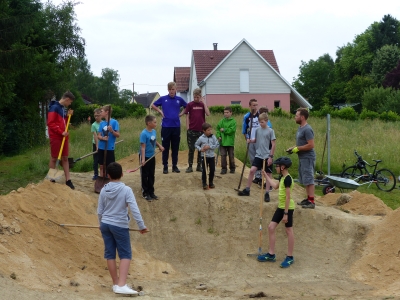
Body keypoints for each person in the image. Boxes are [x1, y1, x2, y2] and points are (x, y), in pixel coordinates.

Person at [97, 162, 149, 295]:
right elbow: (135, 210)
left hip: (105, 224)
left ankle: (116, 283)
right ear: (122, 174)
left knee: (110, 254)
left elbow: (100, 210)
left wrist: (100, 223)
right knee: (125, 254)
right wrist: (141, 226)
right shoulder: (126, 190)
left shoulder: (103, 189)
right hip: (119, 225)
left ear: (108, 175)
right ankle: (121, 284)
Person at [257, 157, 295, 268]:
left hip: (287, 208)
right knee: (271, 227)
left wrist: (286, 213)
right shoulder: (282, 178)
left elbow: (288, 197)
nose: (276, 168)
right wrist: (266, 176)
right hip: (281, 207)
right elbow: (275, 186)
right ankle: (271, 254)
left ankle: (290, 257)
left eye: (277, 166)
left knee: (289, 230)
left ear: (282, 167)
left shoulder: (287, 179)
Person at [238, 113, 276, 202]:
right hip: (258, 154)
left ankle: (267, 193)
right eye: (259, 122)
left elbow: (273, 144)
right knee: (252, 170)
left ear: (266, 121)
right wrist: (250, 140)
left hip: (267, 155)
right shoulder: (258, 130)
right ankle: (247, 189)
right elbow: (256, 140)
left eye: (262, 122)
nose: (260, 124)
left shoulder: (271, 131)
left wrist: (271, 157)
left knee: (268, 174)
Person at [152, 82, 187, 174]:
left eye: (173, 89)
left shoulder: (179, 99)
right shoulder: (163, 99)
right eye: (170, 89)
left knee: (175, 147)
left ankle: (174, 166)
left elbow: (187, 107)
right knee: (165, 147)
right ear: (168, 90)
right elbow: (153, 105)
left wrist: (182, 113)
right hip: (166, 126)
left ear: (176, 89)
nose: (172, 91)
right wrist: (160, 111)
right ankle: (165, 166)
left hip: (176, 126)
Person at [286, 108, 316, 209]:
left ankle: (311, 201)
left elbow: (311, 145)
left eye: (297, 116)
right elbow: (302, 143)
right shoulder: (300, 128)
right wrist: (293, 148)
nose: (295, 117)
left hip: (307, 157)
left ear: (302, 117)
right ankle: (308, 199)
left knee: (309, 178)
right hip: (302, 157)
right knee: (305, 179)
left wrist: (298, 148)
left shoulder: (307, 129)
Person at [47, 91, 75, 189]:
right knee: (54, 158)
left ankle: (68, 180)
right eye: (70, 102)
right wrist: (60, 132)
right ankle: (51, 178)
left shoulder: (63, 109)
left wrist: (68, 117)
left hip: (64, 136)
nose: (70, 104)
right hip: (56, 137)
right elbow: (50, 123)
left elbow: (64, 123)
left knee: (65, 158)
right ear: (67, 99)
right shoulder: (54, 108)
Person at [242, 99, 272, 185]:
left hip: (261, 141)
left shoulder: (261, 116)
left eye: (256, 105)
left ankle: (264, 177)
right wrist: (247, 138)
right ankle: (257, 176)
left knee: (261, 158)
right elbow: (244, 129)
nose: (255, 107)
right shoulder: (247, 116)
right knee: (253, 159)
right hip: (251, 140)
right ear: (250, 106)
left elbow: (269, 126)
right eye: (253, 105)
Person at [180, 88, 210, 173]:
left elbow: (208, 114)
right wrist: (187, 128)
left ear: (200, 96)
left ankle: (199, 166)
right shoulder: (190, 105)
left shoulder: (202, 105)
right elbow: (187, 116)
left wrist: (204, 103)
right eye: (194, 97)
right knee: (191, 148)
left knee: (200, 149)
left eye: (197, 97)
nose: (196, 99)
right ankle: (190, 166)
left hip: (201, 131)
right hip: (192, 130)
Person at [140, 115, 165, 201]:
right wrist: (143, 160)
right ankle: (145, 193)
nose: (156, 124)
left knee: (151, 174)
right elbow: (143, 147)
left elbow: (154, 140)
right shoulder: (143, 133)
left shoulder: (153, 131)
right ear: (149, 123)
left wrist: (159, 146)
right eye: (154, 122)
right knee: (145, 175)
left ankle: (151, 192)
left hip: (152, 155)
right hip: (145, 156)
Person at [97, 105, 120, 178]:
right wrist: (103, 138)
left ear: (107, 112)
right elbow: (99, 135)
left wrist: (112, 131)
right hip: (101, 147)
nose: (101, 113)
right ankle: (102, 180)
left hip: (109, 148)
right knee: (101, 166)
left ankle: (110, 181)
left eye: (102, 111)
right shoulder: (102, 123)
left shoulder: (114, 122)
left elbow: (118, 135)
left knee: (110, 166)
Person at [195, 123, 219, 190]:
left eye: (210, 130)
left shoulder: (213, 137)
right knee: (204, 170)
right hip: (204, 156)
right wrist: (200, 149)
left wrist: (209, 147)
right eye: (208, 130)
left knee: (212, 169)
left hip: (211, 156)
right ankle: (204, 183)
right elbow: (196, 145)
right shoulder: (201, 138)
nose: (210, 131)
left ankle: (211, 182)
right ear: (204, 131)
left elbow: (217, 145)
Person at [216, 106, 237, 174]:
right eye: (224, 112)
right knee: (223, 155)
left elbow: (232, 130)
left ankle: (232, 168)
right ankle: (224, 168)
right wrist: (218, 136)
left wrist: (224, 130)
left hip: (230, 142)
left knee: (231, 155)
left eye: (227, 112)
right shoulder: (221, 121)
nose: (226, 114)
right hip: (222, 141)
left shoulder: (233, 121)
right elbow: (218, 130)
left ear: (231, 113)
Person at [91, 108, 102, 180]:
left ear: (101, 115)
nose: (96, 117)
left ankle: (104, 174)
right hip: (96, 144)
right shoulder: (93, 125)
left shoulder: (104, 123)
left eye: (98, 115)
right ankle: (95, 174)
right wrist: (97, 146)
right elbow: (95, 136)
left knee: (102, 160)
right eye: (95, 116)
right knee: (95, 160)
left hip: (103, 144)